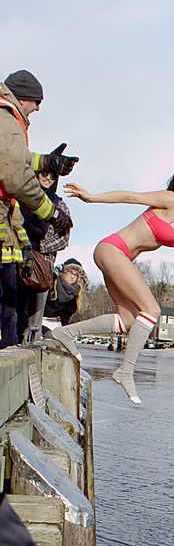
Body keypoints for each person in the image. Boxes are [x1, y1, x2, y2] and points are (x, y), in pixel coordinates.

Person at [55, 167, 174, 404]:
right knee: (152, 310)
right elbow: (131, 197)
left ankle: (66, 333)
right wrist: (91, 197)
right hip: (111, 249)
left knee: (128, 321)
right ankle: (125, 371)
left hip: (121, 258)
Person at [0, 69, 77, 347]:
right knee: (7, 306)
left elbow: (13, 157)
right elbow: (16, 176)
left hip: (9, 231)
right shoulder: (7, 121)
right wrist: (52, 213)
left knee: (11, 306)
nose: (38, 108)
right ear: (22, 99)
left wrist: (46, 162)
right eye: (36, 102)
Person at [18, 168, 73, 341]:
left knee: (36, 313)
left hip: (43, 266)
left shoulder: (60, 205)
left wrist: (40, 246)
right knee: (16, 306)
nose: (48, 178)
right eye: (44, 174)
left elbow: (64, 239)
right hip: (20, 260)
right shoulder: (24, 198)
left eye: (52, 176)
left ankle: (33, 341)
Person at [42, 258, 88, 333]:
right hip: (41, 321)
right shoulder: (53, 283)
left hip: (56, 325)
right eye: (70, 272)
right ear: (64, 272)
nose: (72, 277)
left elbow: (66, 318)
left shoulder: (75, 293)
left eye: (76, 275)